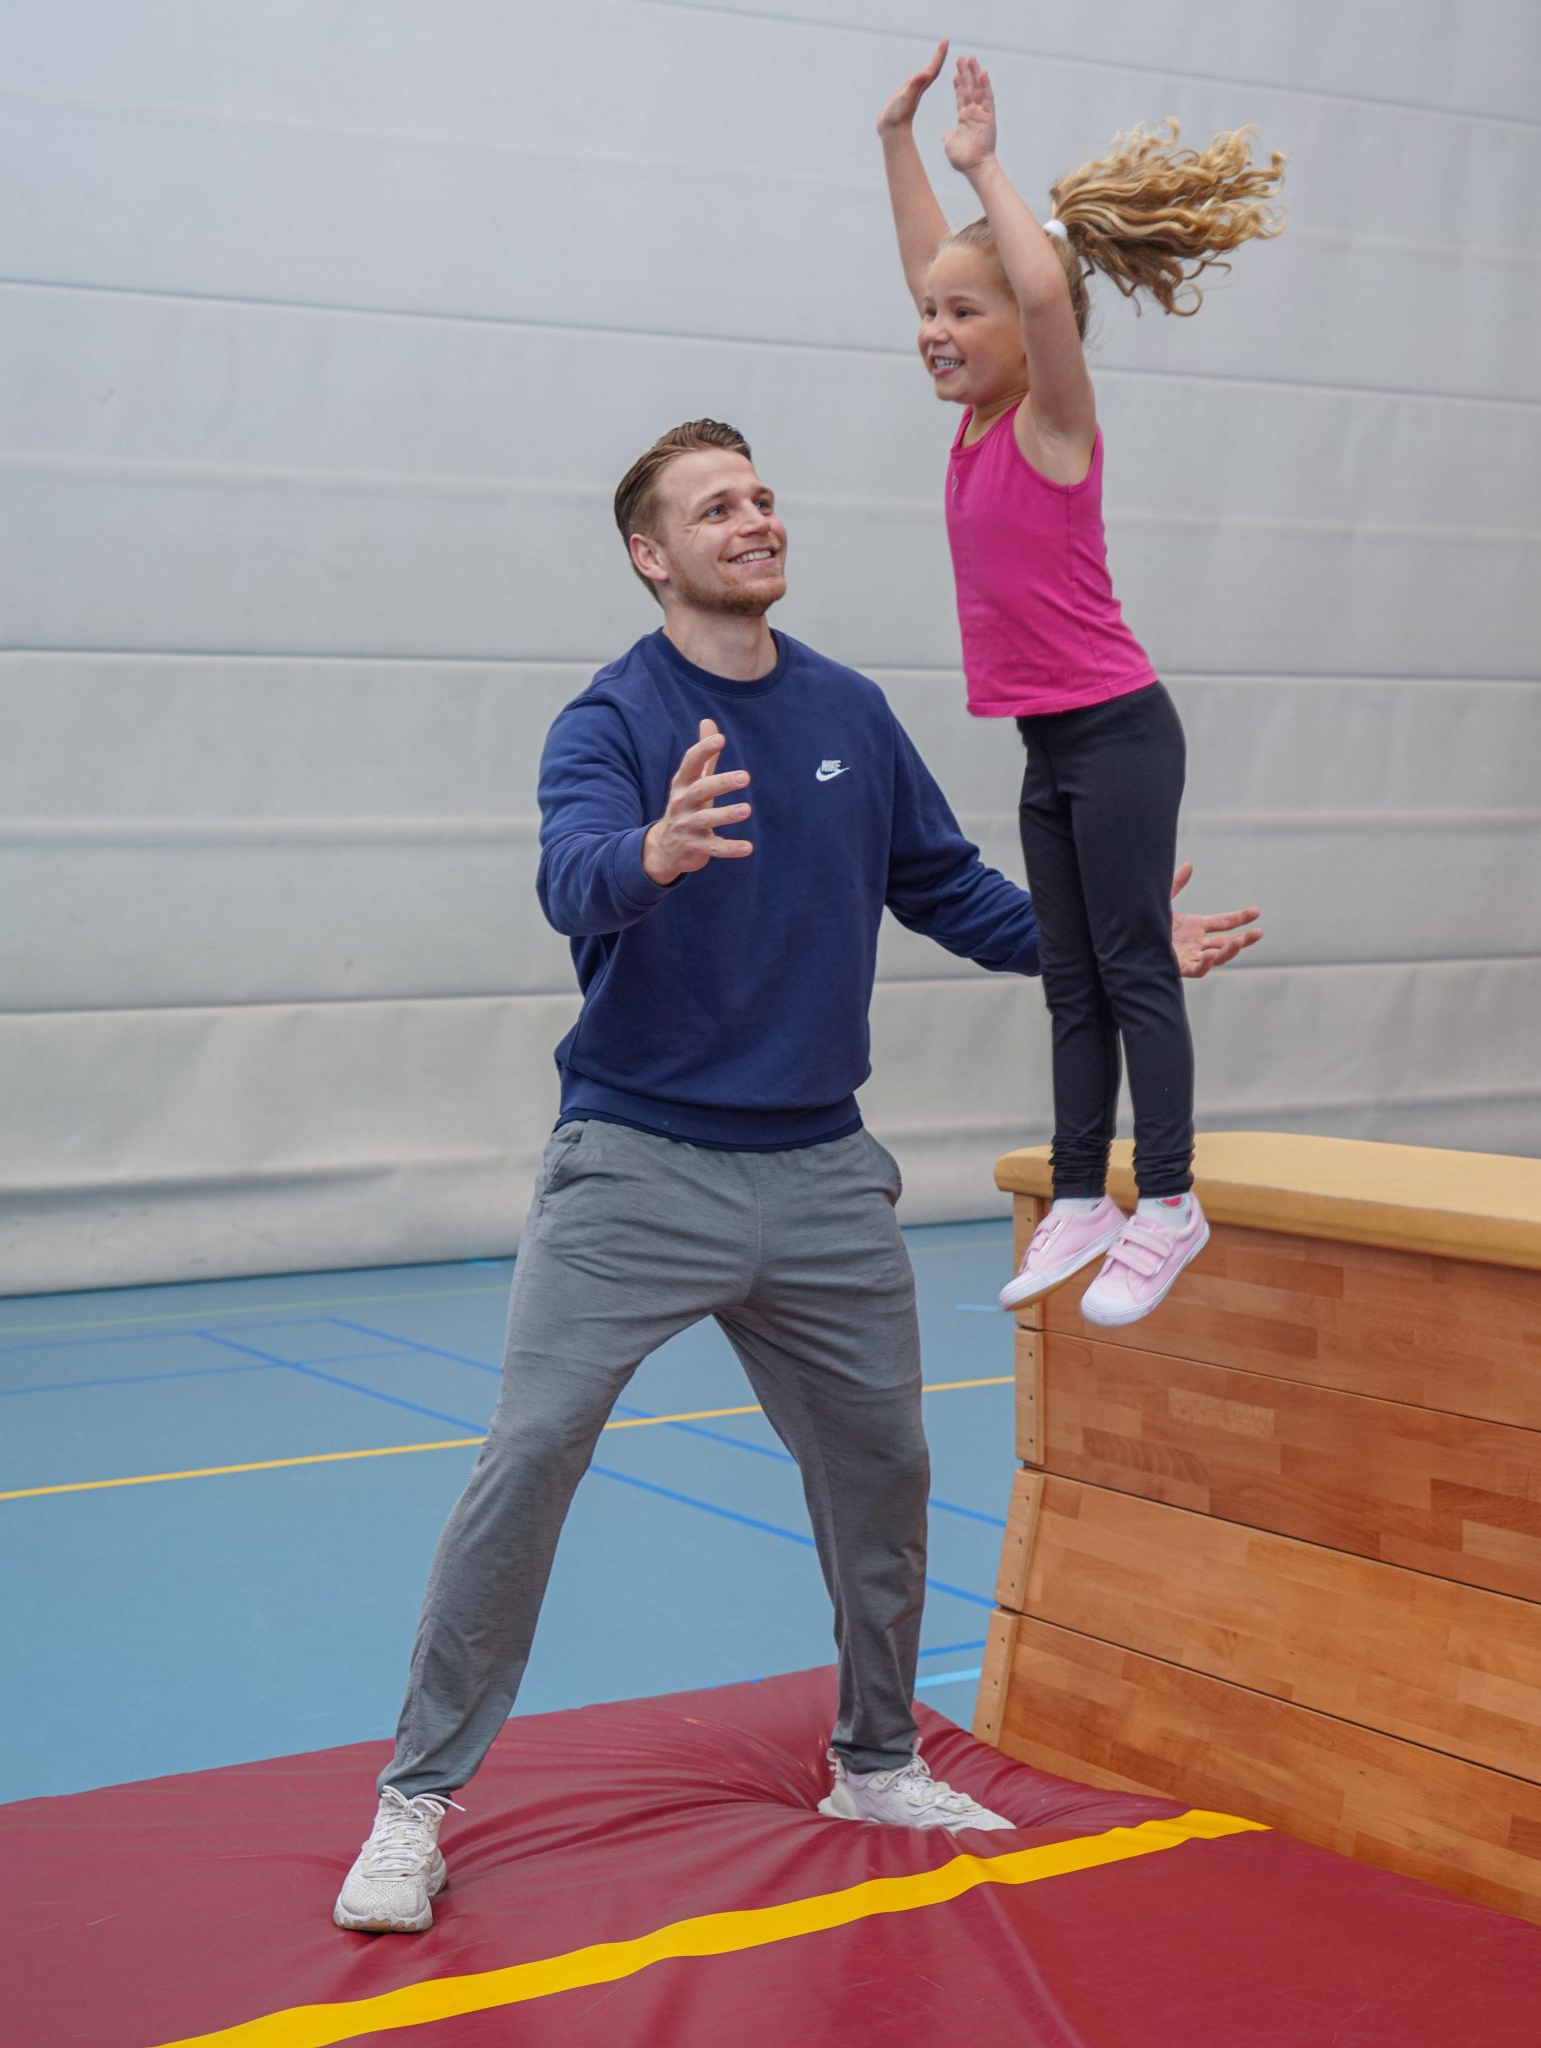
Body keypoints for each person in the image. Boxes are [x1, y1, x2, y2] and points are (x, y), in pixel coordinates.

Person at [333, 419, 1260, 1935]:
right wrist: (652, 852)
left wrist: (1115, 945)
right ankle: (414, 1801)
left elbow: (946, 887)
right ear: (652, 554)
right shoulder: (610, 719)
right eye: (716, 508)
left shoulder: (847, 709)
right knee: (533, 1450)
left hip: (822, 1170)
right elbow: (569, 874)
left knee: (885, 1468)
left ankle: (875, 1760)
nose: (754, 520)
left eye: (762, 498)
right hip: (635, 1164)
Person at [876, 46, 1280, 1324]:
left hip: (1117, 732)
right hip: (1049, 744)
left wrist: (981, 165)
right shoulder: (971, 415)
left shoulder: (1049, 422)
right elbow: (943, 266)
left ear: (1026, 332)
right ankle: (1078, 1195)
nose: (934, 330)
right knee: (1070, 978)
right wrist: (893, 139)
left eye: (961, 315)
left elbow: (1037, 290)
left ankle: (1167, 1198)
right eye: (926, 315)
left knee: (1128, 965)